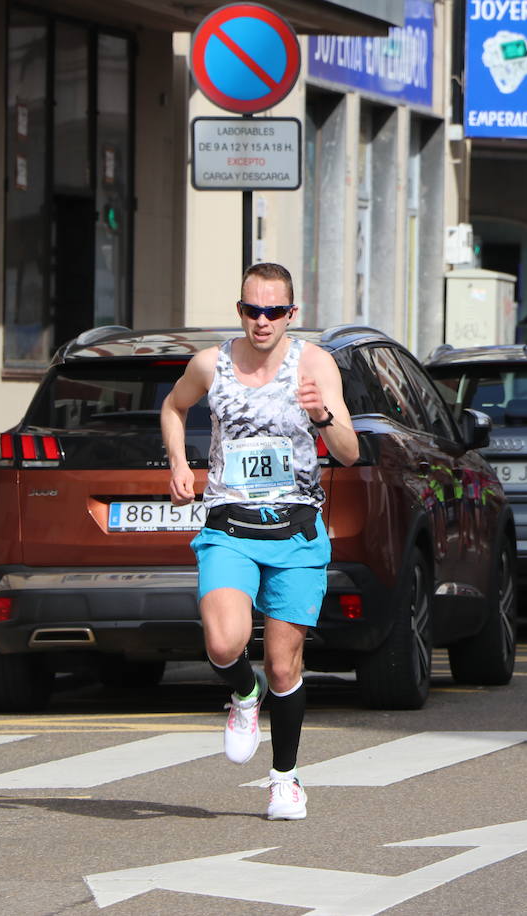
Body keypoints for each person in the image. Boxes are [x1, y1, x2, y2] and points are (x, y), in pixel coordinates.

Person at [161, 262, 360, 820]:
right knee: (224, 645)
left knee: (283, 665)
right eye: (253, 310)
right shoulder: (211, 364)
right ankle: (243, 697)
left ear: (292, 314)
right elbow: (173, 408)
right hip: (229, 525)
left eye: (274, 311)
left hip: (296, 530)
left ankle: (285, 779)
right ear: (240, 310)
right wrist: (179, 462)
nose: (263, 320)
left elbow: (349, 452)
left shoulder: (315, 364)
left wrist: (322, 416)